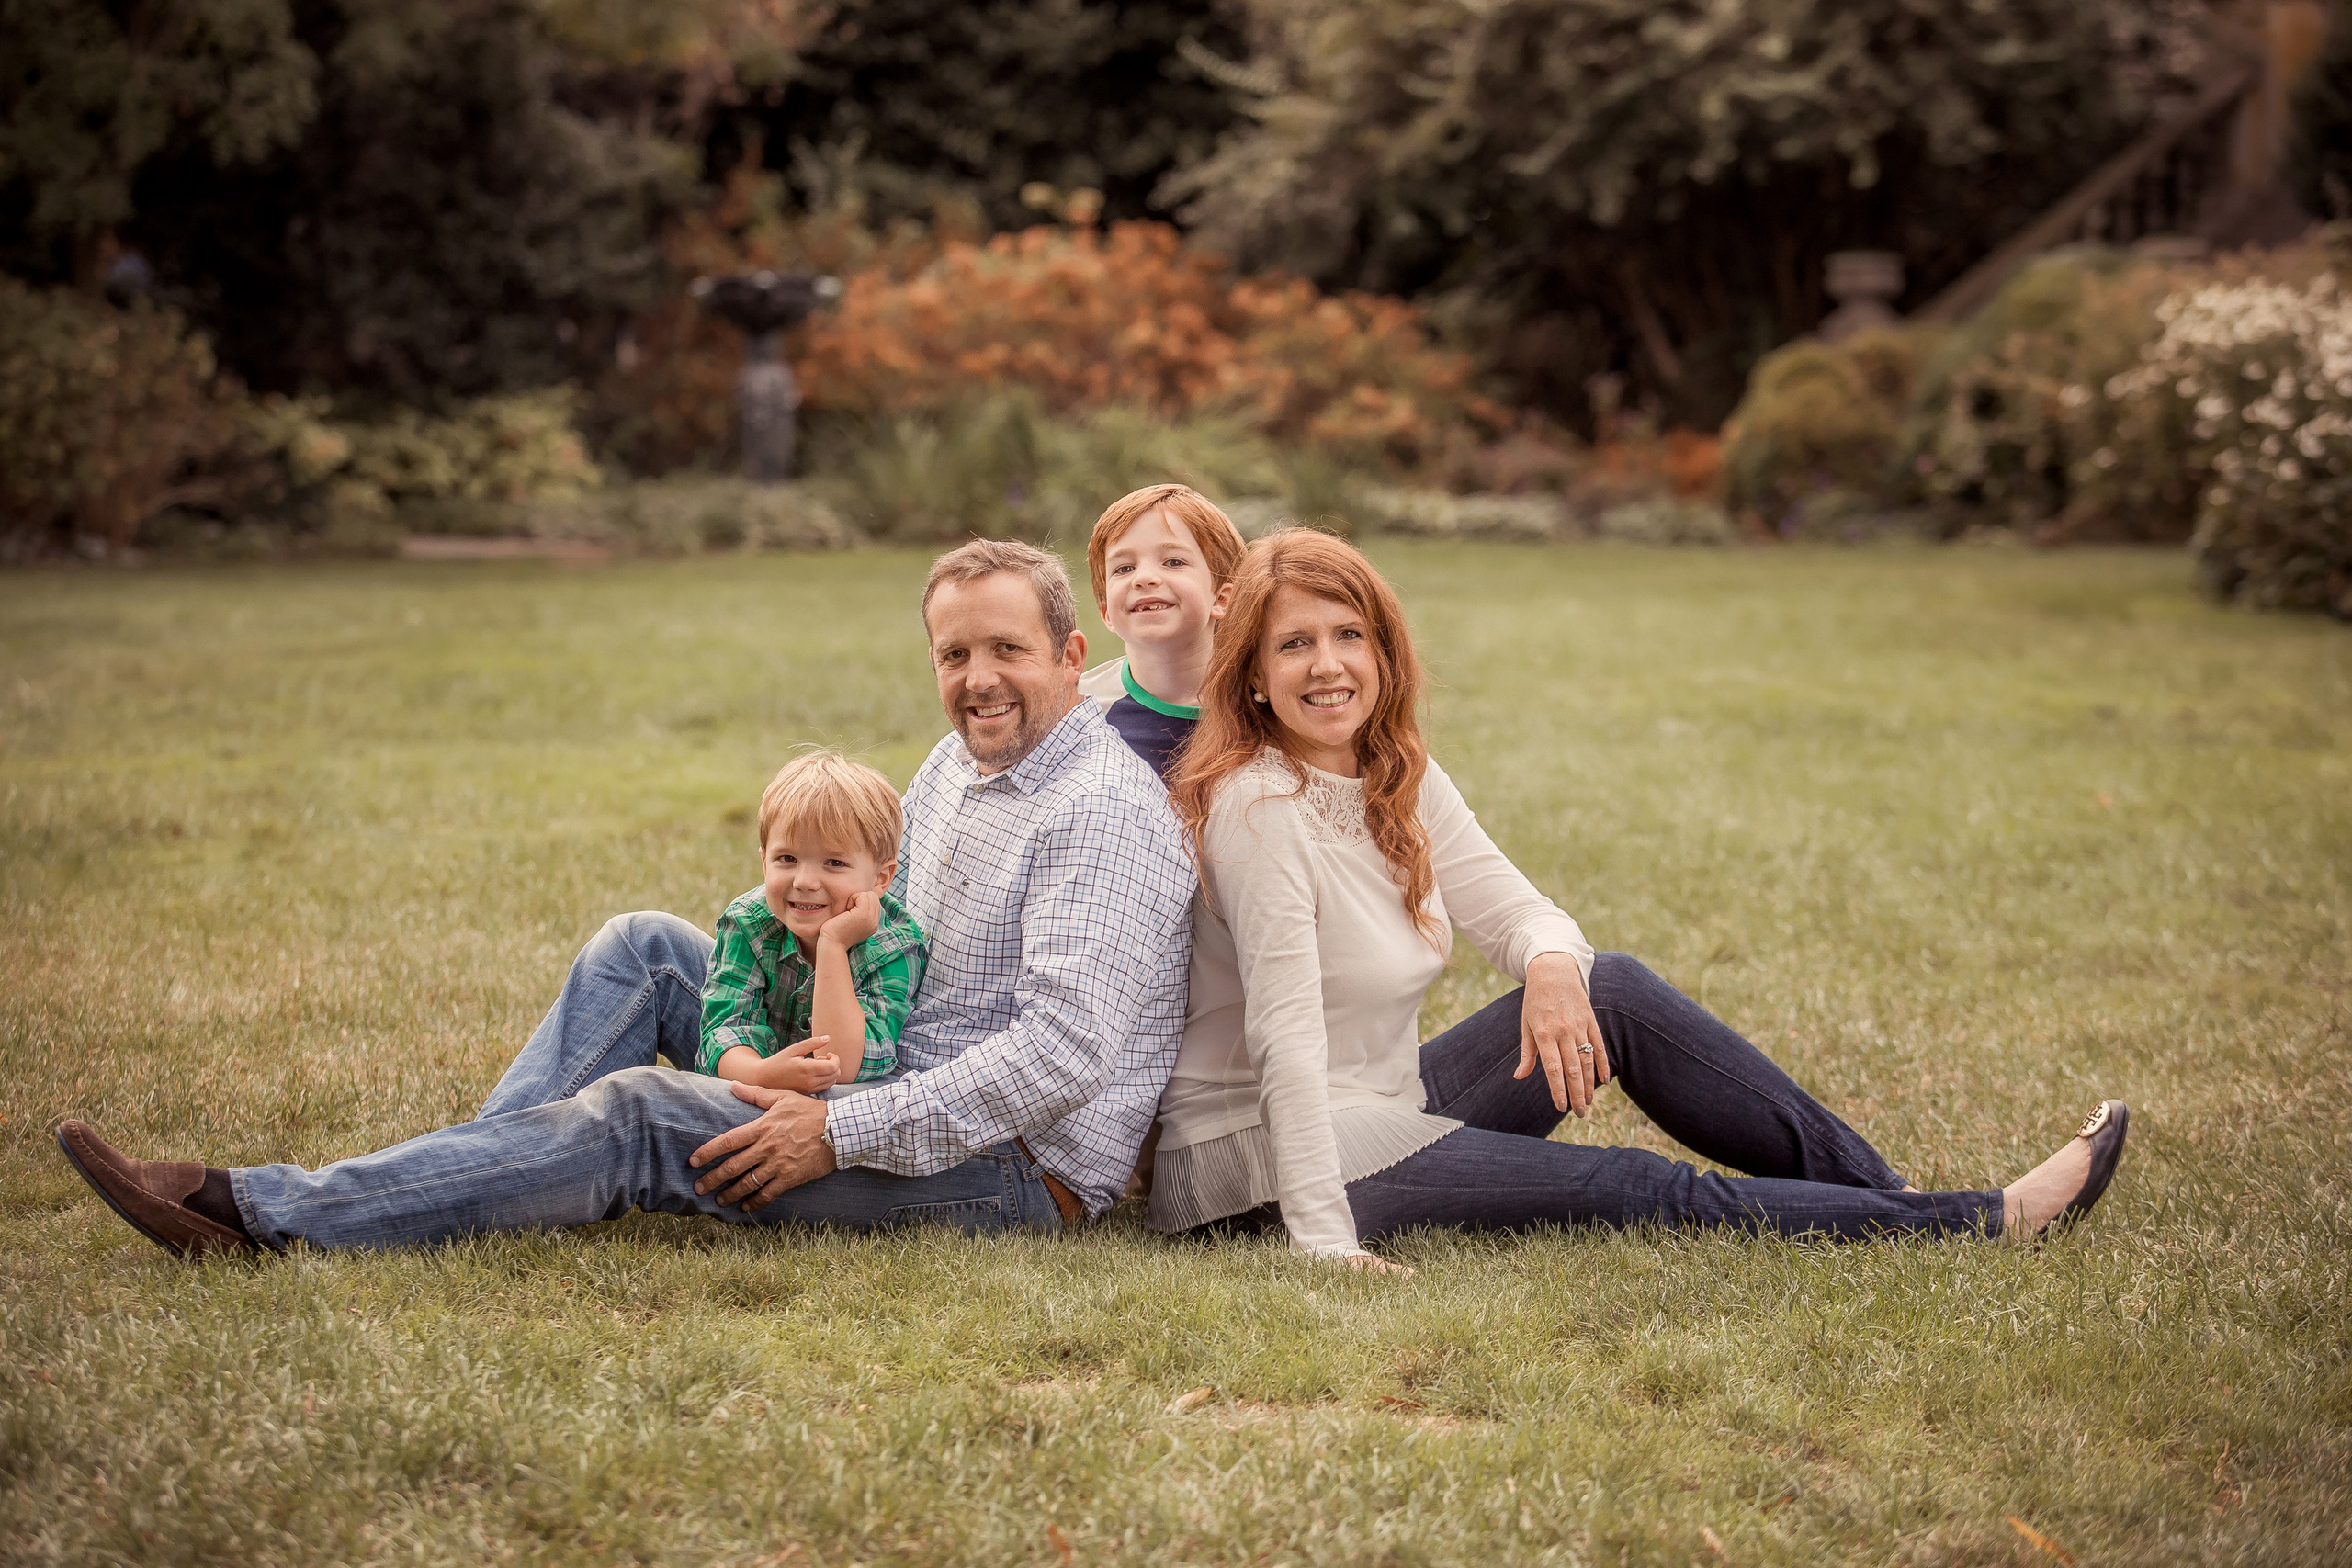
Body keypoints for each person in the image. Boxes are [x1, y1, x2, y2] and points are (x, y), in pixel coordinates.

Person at [55, 539, 1195, 1257]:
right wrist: (786, 964)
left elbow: (1060, 1058)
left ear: (1069, 655)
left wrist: (838, 1129)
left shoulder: (1098, 808)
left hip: (1006, 1171)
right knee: (646, 947)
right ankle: (465, 1179)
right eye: (952, 655)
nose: (977, 680)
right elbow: (865, 917)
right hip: (880, 1059)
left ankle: (263, 1213)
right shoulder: (958, 764)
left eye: (1006, 651)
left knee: (642, 1117)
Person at [1150, 528, 2130, 1269]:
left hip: (1379, 1099)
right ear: (1256, 676)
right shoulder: (1257, 809)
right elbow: (1282, 1039)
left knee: (1606, 986)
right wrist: (1323, 1241)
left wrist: (1549, 966)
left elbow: (1520, 910)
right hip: (1266, 1156)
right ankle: (1983, 1221)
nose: (1328, 666)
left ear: (1383, 651)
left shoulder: (1393, 773)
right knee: (1635, 1184)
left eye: (1348, 635)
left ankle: (1889, 1195)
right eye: (1294, 645)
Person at [696, 749, 925, 1102]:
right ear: (764, 861)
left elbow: (843, 1066)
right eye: (787, 858)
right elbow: (724, 1030)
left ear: (880, 878)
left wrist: (833, 944)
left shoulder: (895, 945)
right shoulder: (748, 922)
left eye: (834, 863)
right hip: (751, 1080)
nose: (804, 881)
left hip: (839, 1107)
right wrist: (761, 1074)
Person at [1076, 483, 1248, 781]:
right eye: (1124, 568)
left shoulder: (1263, 704)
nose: (1144, 578)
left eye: (1173, 562)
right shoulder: (1078, 712)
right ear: (1106, 614)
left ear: (1222, 598)